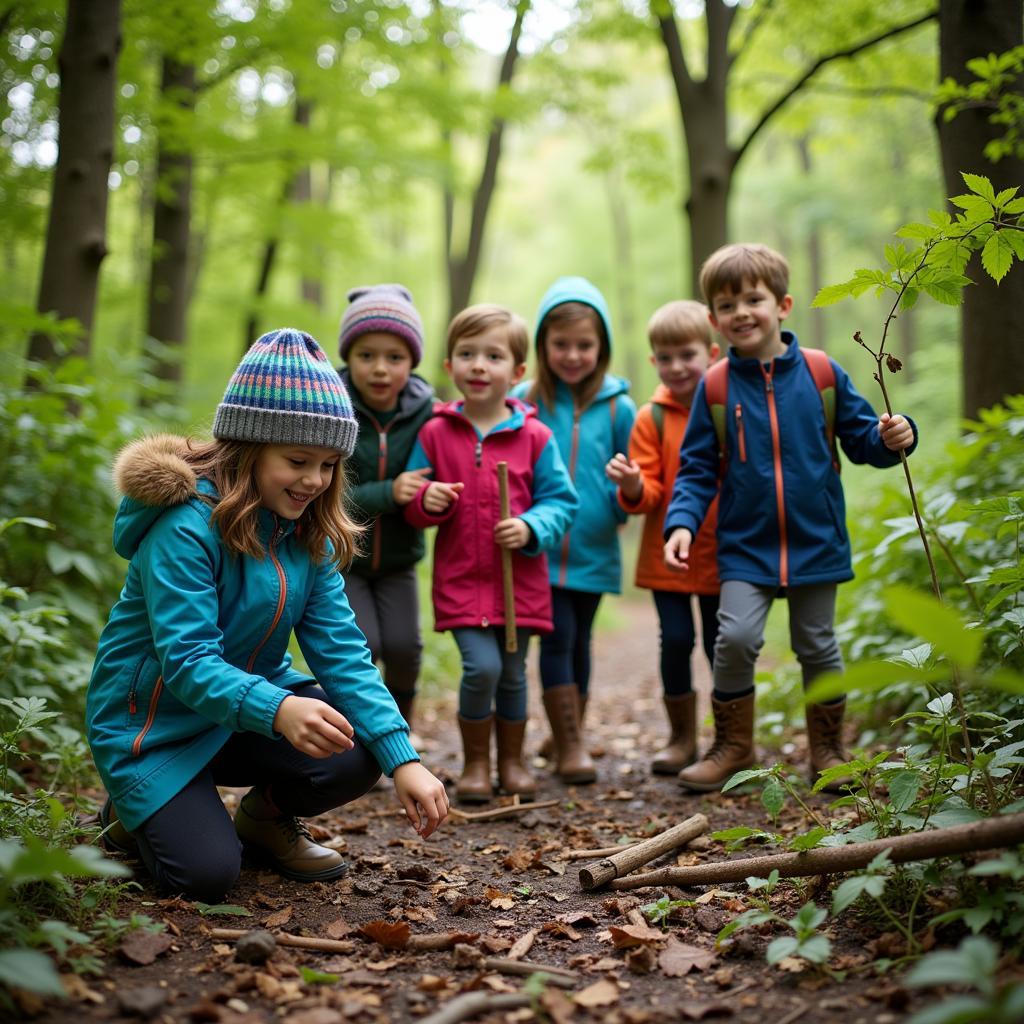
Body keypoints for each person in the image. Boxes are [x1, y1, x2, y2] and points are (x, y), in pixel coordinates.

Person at [87, 328, 449, 902]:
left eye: (330, 464)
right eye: (298, 460)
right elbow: (187, 663)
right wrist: (279, 708)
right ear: (249, 448)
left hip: (240, 714)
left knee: (358, 748)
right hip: (155, 724)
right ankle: (132, 810)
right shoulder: (184, 528)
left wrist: (402, 757)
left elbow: (344, 654)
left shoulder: (306, 533)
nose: (314, 481)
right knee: (205, 877)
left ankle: (262, 819)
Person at [663, 243, 918, 793]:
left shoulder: (822, 373)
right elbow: (695, 469)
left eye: (753, 298)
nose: (741, 312)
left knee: (817, 643)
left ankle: (827, 750)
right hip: (746, 547)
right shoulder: (714, 387)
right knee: (733, 639)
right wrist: (681, 522)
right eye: (727, 305)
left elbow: (862, 440)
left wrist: (894, 434)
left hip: (815, 540)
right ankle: (733, 747)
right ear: (713, 320)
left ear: (782, 304)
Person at [404, 305, 577, 803]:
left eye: (493, 355)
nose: (479, 365)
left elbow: (562, 502)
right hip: (462, 580)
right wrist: (426, 500)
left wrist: (529, 526)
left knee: (513, 671)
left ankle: (513, 762)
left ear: (517, 372)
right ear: (449, 364)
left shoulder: (535, 437)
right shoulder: (436, 432)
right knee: (483, 668)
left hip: (517, 583)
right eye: (467, 354)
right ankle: (477, 762)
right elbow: (415, 500)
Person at [513, 277, 636, 784]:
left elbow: (633, 484)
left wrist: (624, 494)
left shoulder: (619, 408)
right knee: (557, 638)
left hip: (594, 547)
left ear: (601, 347)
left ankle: (570, 734)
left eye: (584, 345)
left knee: (580, 640)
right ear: (543, 345)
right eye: (560, 344)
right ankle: (569, 747)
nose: (572, 355)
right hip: (538, 549)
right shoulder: (524, 399)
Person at [606, 300, 721, 776]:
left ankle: (731, 737)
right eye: (666, 357)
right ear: (654, 361)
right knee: (675, 640)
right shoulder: (650, 418)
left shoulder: (725, 405)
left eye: (687, 355)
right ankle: (682, 738)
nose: (677, 366)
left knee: (722, 644)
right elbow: (649, 491)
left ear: (711, 353)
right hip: (666, 556)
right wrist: (633, 485)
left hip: (722, 552)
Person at [338, 284, 434, 733]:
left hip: (398, 560)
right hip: (342, 558)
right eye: (366, 355)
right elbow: (319, 496)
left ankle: (398, 734)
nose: (380, 369)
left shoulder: (429, 414)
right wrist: (388, 492)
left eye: (394, 357)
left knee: (404, 648)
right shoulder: (330, 408)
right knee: (362, 646)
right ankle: (355, 739)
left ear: (411, 362)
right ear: (348, 357)